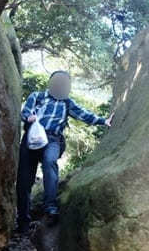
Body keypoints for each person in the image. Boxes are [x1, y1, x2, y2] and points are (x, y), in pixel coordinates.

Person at [15, 70, 114, 233]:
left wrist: (104, 121)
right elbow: (25, 111)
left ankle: (50, 207)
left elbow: (84, 115)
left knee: (49, 162)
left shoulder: (67, 103)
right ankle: (23, 223)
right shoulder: (37, 96)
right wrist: (28, 117)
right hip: (32, 138)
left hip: (53, 139)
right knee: (24, 180)